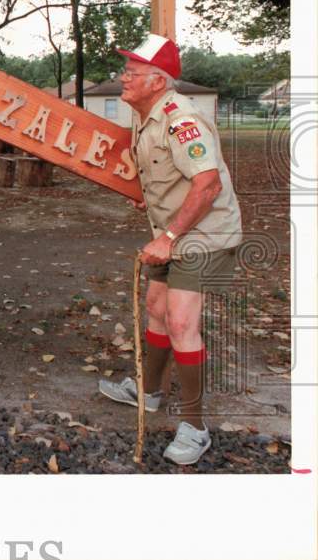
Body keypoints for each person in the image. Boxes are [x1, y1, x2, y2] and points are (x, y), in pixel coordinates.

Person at [98, 34, 243, 466]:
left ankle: (196, 427)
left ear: (158, 82)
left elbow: (208, 184)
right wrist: (149, 198)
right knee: (157, 307)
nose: (123, 78)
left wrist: (169, 237)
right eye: (126, 70)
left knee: (181, 321)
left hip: (203, 234)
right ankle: (149, 392)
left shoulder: (183, 119)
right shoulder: (145, 116)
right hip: (176, 232)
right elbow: (166, 173)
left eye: (132, 73)